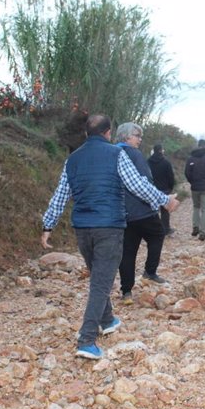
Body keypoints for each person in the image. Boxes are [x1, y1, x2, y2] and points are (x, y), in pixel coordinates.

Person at [41, 114, 180, 360]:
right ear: (108, 133)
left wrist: (48, 224)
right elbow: (137, 185)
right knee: (100, 283)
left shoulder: (72, 159)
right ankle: (86, 339)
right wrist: (164, 200)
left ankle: (107, 320)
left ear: (86, 134)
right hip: (109, 226)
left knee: (99, 276)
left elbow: (61, 193)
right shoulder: (118, 155)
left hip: (82, 228)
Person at [115, 123, 169, 306]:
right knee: (158, 234)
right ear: (126, 137)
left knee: (128, 251)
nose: (140, 139)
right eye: (137, 135)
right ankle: (150, 271)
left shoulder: (112, 154)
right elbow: (145, 182)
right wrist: (161, 201)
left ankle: (126, 291)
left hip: (122, 213)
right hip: (142, 210)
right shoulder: (134, 154)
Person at [184, 139, 205, 241]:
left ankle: (195, 227)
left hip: (195, 187)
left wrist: (192, 182)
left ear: (198, 146)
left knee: (196, 207)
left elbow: (187, 173)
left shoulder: (191, 158)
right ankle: (203, 232)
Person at [148, 143, 176, 236]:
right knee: (165, 211)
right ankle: (165, 229)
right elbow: (171, 177)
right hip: (165, 189)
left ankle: (152, 230)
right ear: (161, 150)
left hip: (152, 190)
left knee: (153, 211)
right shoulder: (166, 162)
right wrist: (170, 187)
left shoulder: (148, 162)